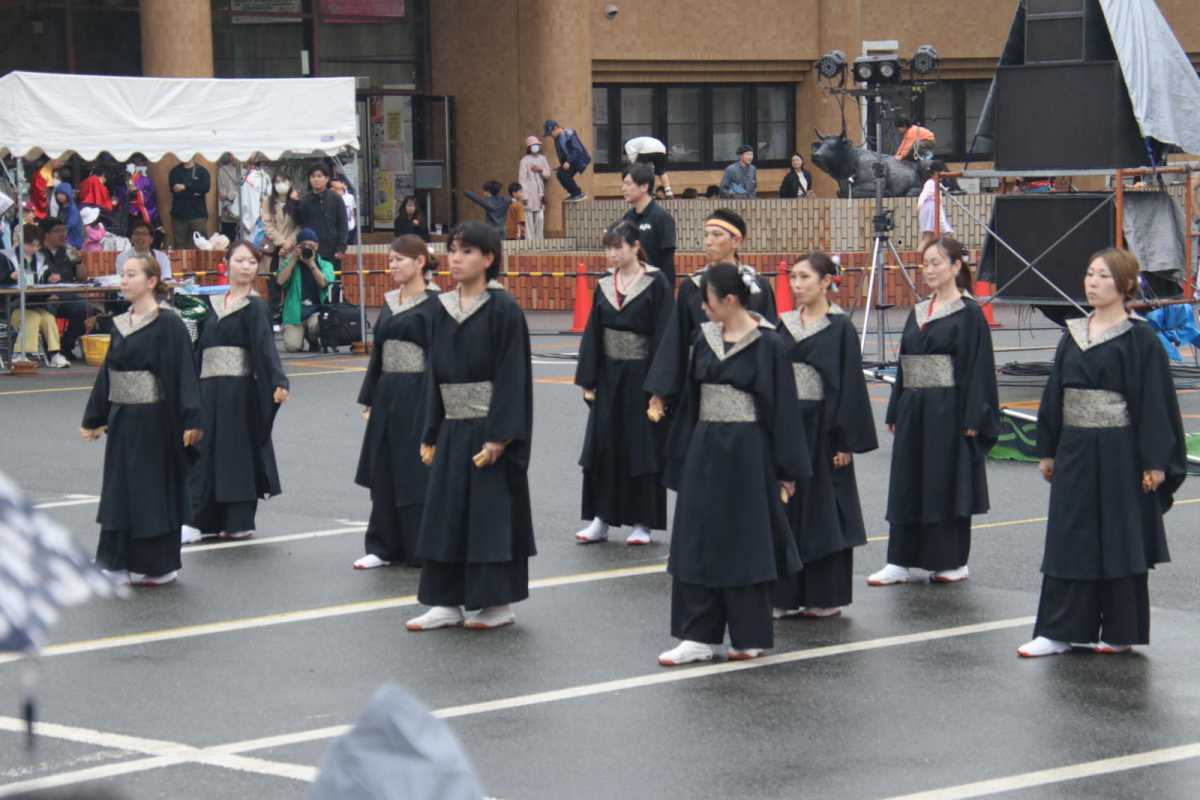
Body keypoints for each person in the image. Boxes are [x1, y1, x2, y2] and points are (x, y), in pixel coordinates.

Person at [1018, 249, 1186, 658]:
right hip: (1074, 448)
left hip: (1120, 453)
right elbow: (1054, 395)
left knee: (1118, 537)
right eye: (1090, 274)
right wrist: (1048, 450)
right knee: (1068, 536)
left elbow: (1154, 404)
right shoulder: (1073, 333)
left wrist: (1155, 462)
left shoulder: (1141, 337)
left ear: (1125, 285)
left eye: (1104, 276)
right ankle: (1058, 630)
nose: (1093, 282)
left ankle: (1119, 629)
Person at [657, 262, 808, 665]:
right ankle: (696, 636)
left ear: (728, 300)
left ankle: (748, 634)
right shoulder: (703, 339)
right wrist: (681, 455)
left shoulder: (769, 344)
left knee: (746, 540)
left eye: (707, 302)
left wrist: (787, 470)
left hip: (749, 452)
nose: (702, 309)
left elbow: (783, 410)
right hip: (705, 447)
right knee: (696, 537)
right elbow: (691, 401)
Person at [406, 221, 535, 632]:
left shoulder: (503, 309)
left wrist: (501, 435)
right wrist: (430, 431)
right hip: (451, 426)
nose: (455, 259)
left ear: (488, 258)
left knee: (488, 515)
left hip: (486, 429)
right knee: (445, 512)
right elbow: (433, 374)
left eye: (465, 251)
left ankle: (497, 603)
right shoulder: (441, 308)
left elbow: (513, 376)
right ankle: (444, 602)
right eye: (452, 250)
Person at [870, 237, 1000, 587]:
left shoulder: (969, 312)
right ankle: (899, 559)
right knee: (908, 479)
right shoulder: (919, 311)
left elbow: (978, 367)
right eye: (924, 264)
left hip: (948, 408)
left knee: (944, 481)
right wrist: (896, 407)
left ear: (956, 267)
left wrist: (975, 416)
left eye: (936, 263)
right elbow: (905, 361)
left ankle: (951, 560)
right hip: (915, 406)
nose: (928, 270)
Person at [80, 253, 204, 587]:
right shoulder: (121, 323)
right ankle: (117, 561)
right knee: (120, 490)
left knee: (152, 491)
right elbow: (108, 374)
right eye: (122, 274)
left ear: (151, 281)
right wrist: (95, 417)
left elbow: (185, 375)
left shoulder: (171, 324)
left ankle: (159, 564)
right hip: (122, 420)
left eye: (131, 274)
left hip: (155, 421)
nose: (123, 280)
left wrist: (192, 420)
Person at [772, 253, 877, 619]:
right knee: (787, 504)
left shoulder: (839, 327)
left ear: (826, 281)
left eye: (804, 277)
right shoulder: (783, 324)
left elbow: (849, 384)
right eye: (794, 277)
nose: (796, 284)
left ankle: (824, 595)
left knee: (824, 510)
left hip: (823, 430)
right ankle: (784, 594)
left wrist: (845, 440)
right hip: (789, 425)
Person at [182, 240, 289, 544]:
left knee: (234, 454)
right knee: (202, 450)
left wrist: (278, 381)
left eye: (252, 262)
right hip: (207, 389)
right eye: (240, 260)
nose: (246, 267)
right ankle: (201, 520)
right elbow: (200, 352)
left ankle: (237, 520)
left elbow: (266, 349)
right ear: (226, 263)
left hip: (238, 392)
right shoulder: (214, 305)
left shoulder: (255, 306)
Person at [574, 221, 674, 547]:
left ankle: (642, 522)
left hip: (641, 375)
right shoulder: (604, 284)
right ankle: (600, 519)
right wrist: (589, 378)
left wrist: (659, 388)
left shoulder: (656, 282)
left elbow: (664, 336)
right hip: (608, 374)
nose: (613, 253)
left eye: (619, 246)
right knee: (603, 446)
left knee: (641, 448)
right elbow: (593, 333)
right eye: (609, 247)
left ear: (635, 246)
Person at [353, 235, 441, 570]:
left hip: (418, 393)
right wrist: (370, 397)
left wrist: (434, 404)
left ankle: (418, 546)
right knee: (384, 466)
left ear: (420, 262)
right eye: (390, 260)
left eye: (399, 260)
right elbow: (378, 353)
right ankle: (382, 545)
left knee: (415, 470)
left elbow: (438, 359)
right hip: (388, 391)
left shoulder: (436, 303)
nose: (393, 266)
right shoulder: (390, 301)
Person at [645, 209, 776, 417]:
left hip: (747, 383)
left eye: (717, 235)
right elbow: (675, 340)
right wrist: (660, 390)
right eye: (706, 235)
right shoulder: (692, 286)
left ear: (736, 241)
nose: (708, 241)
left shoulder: (755, 286)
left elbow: (770, 343)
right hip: (699, 382)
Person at [0, 224, 70, 367]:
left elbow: (43, 280)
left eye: (38, 246)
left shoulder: (40, 258)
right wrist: (9, 276)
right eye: (31, 245)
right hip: (8, 306)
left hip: (32, 303)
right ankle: (19, 355)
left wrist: (50, 279)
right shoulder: (5, 257)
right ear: (21, 241)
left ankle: (55, 354)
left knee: (49, 318)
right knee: (32, 318)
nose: (34, 249)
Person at [277, 227, 335, 353]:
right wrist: (293, 260)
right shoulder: (291, 263)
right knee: (292, 347)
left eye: (311, 246)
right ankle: (301, 334)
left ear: (317, 246)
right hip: (295, 313)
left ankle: (312, 339)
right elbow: (280, 281)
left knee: (317, 325)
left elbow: (324, 283)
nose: (307, 249)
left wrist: (311, 264)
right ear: (298, 246)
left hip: (315, 312)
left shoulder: (325, 265)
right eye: (304, 246)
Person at [37, 217, 88, 358]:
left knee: (85, 308)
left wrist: (78, 262)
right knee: (49, 308)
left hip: (67, 294)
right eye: (57, 231)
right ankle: (52, 349)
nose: (62, 234)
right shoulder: (37, 253)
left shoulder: (67, 251)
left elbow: (82, 277)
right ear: (45, 234)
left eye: (63, 230)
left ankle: (66, 345)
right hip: (43, 295)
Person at [620, 161, 677, 283]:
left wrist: (666, 297)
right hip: (630, 288)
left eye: (628, 184)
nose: (623, 188)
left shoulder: (661, 218)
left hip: (653, 288)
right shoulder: (627, 218)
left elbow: (667, 262)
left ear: (644, 186)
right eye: (624, 184)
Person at [260, 171, 301, 328]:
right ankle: (273, 319)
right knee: (273, 286)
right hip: (273, 249)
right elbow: (267, 224)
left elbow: (300, 224)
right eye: (277, 181)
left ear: (290, 183)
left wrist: (288, 243)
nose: (280, 184)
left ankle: (289, 318)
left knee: (291, 286)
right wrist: (281, 242)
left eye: (283, 180)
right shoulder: (267, 201)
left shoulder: (296, 201)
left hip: (292, 249)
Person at [297, 163, 348, 265]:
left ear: (327, 178)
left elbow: (343, 223)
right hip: (309, 251)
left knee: (331, 280)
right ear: (309, 179)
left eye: (320, 176)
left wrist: (341, 247)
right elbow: (298, 223)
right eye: (313, 176)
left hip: (332, 251)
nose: (316, 179)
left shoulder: (336, 198)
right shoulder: (303, 200)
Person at [543, 119, 591, 202]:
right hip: (570, 159)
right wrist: (562, 164)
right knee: (560, 174)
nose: (551, 136)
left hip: (578, 159)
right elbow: (563, 153)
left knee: (564, 175)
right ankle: (574, 193)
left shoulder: (569, 134)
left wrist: (568, 162)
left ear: (555, 128)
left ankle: (578, 193)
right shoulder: (557, 138)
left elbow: (577, 150)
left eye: (550, 133)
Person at [169, 157, 212, 249]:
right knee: (179, 245)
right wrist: (195, 192)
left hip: (198, 214)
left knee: (203, 244)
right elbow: (176, 191)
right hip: (179, 215)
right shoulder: (175, 172)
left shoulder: (202, 171)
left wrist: (186, 186)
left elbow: (205, 188)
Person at [125, 156, 162, 248]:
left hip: (142, 211)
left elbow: (149, 194)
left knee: (145, 231)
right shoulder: (124, 181)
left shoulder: (145, 180)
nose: (128, 176)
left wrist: (137, 192)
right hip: (129, 212)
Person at [517, 135, 551, 240]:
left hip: (540, 193)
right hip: (529, 193)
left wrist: (540, 169)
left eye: (536, 145)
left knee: (540, 218)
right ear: (529, 147)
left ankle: (539, 240)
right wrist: (524, 196)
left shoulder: (542, 159)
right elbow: (522, 179)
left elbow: (547, 174)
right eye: (533, 145)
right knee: (529, 218)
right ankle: (530, 241)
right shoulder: (525, 161)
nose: (535, 147)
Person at [918, 160, 954, 251]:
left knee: (928, 237)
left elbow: (941, 188)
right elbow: (924, 194)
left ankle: (918, 258)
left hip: (930, 207)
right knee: (944, 233)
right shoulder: (931, 183)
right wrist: (920, 203)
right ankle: (949, 253)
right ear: (936, 172)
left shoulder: (934, 182)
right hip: (932, 208)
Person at [217, 155, 241, 242]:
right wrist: (229, 208)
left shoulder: (246, 170)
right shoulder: (223, 170)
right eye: (232, 155)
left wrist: (229, 195)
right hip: (227, 214)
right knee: (227, 244)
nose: (234, 157)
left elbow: (245, 195)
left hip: (244, 216)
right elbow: (222, 195)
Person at [54, 183, 84, 250]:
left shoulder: (73, 208)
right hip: (63, 240)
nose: (59, 196)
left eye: (62, 194)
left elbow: (71, 224)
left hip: (73, 242)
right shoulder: (61, 208)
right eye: (58, 194)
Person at [331, 173, 357, 248]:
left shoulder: (350, 197)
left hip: (350, 226)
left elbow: (353, 211)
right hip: (339, 228)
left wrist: (352, 221)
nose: (339, 183)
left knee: (351, 245)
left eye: (339, 182)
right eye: (336, 182)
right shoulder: (333, 198)